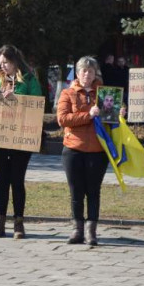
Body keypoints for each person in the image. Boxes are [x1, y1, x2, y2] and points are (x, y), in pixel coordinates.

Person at [57, 56, 120, 246]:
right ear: (77, 73)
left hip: (97, 151)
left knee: (93, 192)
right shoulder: (67, 93)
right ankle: (77, 230)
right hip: (73, 150)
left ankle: (91, 232)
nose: (87, 74)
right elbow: (63, 119)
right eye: (83, 71)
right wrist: (88, 115)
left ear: (95, 75)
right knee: (76, 192)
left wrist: (119, 114)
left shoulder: (105, 94)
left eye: (90, 71)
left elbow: (112, 120)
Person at [0, 45, 43, 239]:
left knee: (17, 181)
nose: (4, 66)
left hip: (22, 137)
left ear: (15, 61)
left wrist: (18, 98)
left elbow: (37, 101)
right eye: (1, 63)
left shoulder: (29, 78)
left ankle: (19, 223)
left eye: (6, 62)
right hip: (1, 136)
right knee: (2, 182)